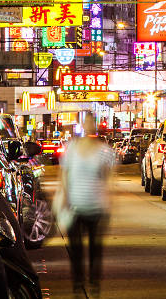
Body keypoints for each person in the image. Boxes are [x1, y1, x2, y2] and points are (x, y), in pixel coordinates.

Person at [59, 114, 114, 297]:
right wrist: (66, 197)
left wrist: (109, 201)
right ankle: (78, 284)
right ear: (82, 124)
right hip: (75, 205)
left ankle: (94, 285)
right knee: (76, 250)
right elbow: (64, 173)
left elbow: (107, 178)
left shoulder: (104, 150)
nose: (90, 125)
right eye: (87, 122)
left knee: (95, 251)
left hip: (96, 205)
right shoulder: (72, 147)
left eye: (92, 122)